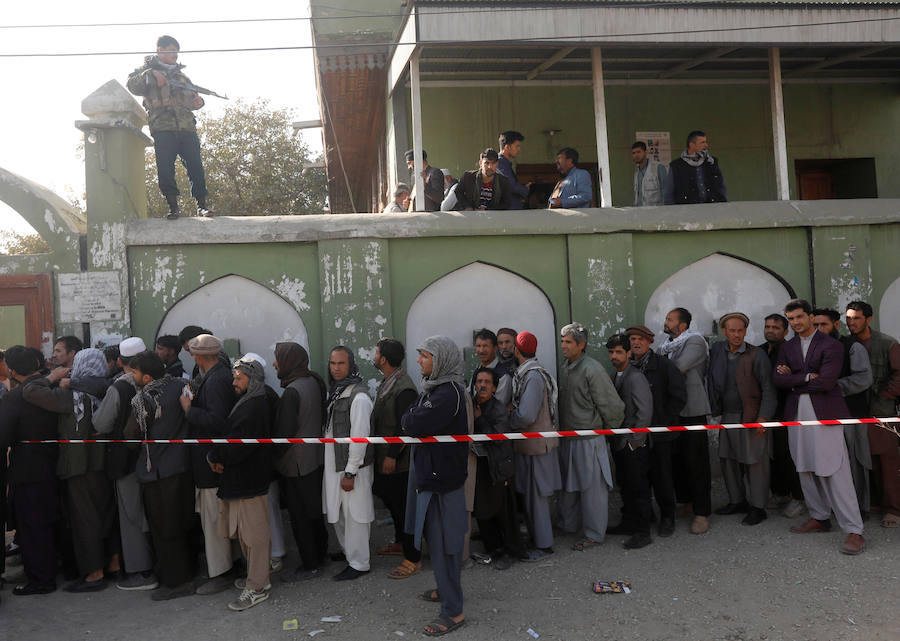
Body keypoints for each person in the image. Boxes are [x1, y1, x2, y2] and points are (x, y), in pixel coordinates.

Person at [23, 348, 119, 592]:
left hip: (80, 467)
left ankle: (94, 574)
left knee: (84, 520)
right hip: (103, 464)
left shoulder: (73, 395)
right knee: (105, 515)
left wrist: (52, 377)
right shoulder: (109, 388)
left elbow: (31, 391)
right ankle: (112, 565)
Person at [774, 299, 864, 555]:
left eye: (799, 317)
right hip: (796, 414)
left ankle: (854, 529)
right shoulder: (787, 346)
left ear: (810, 317)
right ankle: (820, 517)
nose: (795, 323)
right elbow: (777, 380)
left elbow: (826, 383)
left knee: (835, 469)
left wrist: (792, 380)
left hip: (825, 412)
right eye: (790, 319)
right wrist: (803, 377)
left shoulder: (831, 345)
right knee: (804, 466)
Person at [401, 336, 469, 637]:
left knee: (447, 546)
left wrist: (412, 420)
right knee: (434, 540)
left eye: (425, 356)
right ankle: (444, 589)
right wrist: (412, 419)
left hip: (444, 483)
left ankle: (453, 611)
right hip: (432, 478)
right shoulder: (435, 389)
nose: (419, 361)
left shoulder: (448, 393)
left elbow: (412, 424)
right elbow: (411, 418)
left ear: (440, 360)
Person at [207, 356, 273, 611]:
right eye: (235, 376)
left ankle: (257, 586)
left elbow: (240, 446)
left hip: (249, 481)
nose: (234, 381)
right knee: (245, 535)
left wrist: (217, 457)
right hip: (240, 480)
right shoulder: (247, 401)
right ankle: (256, 580)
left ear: (252, 379)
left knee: (255, 536)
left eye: (239, 377)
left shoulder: (255, 406)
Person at [129, 351, 196, 601]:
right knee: (182, 522)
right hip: (181, 465)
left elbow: (130, 435)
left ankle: (176, 582)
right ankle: (188, 573)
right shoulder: (181, 384)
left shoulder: (144, 399)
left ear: (146, 376)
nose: (131, 376)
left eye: (134, 372)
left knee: (164, 528)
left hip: (157, 472)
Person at [92, 336, 157, 590]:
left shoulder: (119, 387)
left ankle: (141, 571)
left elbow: (101, 423)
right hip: (153, 456)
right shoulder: (157, 380)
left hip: (126, 459)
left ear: (120, 362)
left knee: (131, 515)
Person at [127, 35, 210, 219]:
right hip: (162, 127)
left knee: (196, 166)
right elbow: (132, 85)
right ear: (160, 50)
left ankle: (202, 205)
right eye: (172, 50)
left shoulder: (182, 76)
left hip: (187, 127)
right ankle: (173, 207)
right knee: (165, 169)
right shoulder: (145, 71)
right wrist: (150, 75)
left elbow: (193, 99)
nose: (175, 55)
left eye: (177, 51)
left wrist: (199, 101)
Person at [556, 323, 623, 550]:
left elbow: (611, 406)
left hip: (589, 440)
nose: (563, 346)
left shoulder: (592, 369)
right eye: (562, 341)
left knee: (593, 491)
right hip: (569, 439)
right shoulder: (566, 367)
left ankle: (594, 534)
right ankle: (569, 526)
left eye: (568, 342)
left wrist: (610, 431)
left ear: (581, 345)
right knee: (570, 488)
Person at [0, 346, 61, 595]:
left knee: (32, 526)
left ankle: (41, 579)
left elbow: (3, 436)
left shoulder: (15, 397)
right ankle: (50, 570)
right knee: (48, 522)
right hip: (54, 463)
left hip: (27, 470)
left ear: (12, 370)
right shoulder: (50, 388)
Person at [708, 313, 777, 526]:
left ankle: (758, 507)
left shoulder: (757, 355)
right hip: (727, 415)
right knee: (728, 460)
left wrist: (763, 417)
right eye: (732, 331)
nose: (736, 335)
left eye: (740, 330)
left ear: (746, 331)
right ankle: (737, 501)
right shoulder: (717, 351)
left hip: (751, 416)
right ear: (724, 332)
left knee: (755, 462)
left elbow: (768, 387)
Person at [181, 333, 237, 594]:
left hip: (210, 460)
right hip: (213, 458)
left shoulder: (216, 380)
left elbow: (217, 420)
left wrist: (188, 409)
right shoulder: (220, 375)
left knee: (213, 519)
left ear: (198, 356)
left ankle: (220, 573)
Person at [272, 342, 330, 582]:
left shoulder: (292, 392)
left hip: (296, 463)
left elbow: (284, 435)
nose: (275, 363)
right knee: (314, 511)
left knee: (300, 516)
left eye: (278, 359)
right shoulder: (313, 381)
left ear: (288, 362)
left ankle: (310, 564)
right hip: (314, 457)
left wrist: (272, 459)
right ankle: (321, 554)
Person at [626, 325, 686, 537]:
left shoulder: (663, 365)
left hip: (660, 434)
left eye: (641, 339)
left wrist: (664, 421)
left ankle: (667, 517)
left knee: (662, 478)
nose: (636, 343)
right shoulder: (627, 367)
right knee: (639, 478)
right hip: (636, 435)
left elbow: (678, 396)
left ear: (650, 341)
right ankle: (645, 516)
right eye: (633, 339)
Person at [813, 308, 873, 519]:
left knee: (855, 461)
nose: (818, 330)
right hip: (822, 416)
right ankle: (832, 508)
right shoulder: (811, 349)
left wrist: (829, 386)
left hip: (850, 414)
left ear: (836, 326)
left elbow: (863, 379)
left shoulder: (852, 347)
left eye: (824, 325)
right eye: (815, 325)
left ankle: (859, 508)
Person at [657, 307, 713, 534]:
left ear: (682, 325)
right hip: (672, 412)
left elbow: (677, 369)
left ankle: (702, 513)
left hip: (693, 411)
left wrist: (656, 368)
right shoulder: (665, 347)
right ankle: (688, 503)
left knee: (696, 463)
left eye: (670, 320)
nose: (666, 322)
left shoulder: (695, 342)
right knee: (677, 462)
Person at [845, 300, 900, 528]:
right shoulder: (845, 344)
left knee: (887, 461)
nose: (851, 323)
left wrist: (884, 395)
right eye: (848, 318)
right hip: (856, 412)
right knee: (866, 460)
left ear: (868, 319)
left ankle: (893, 509)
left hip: (882, 412)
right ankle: (874, 502)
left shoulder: (887, 343)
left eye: (856, 318)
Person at [369, 338, 421, 579]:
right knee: (391, 502)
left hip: (398, 461)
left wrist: (391, 456)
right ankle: (401, 543)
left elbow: (404, 426)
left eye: (377, 352)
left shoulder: (404, 387)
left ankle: (413, 557)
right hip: (385, 457)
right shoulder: (390, 381)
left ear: (384, 358)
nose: (374, 355)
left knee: (403, 509)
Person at [323, 346, 375, 581]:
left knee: (356, 516)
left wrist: (351, 472)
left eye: (341, 363)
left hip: (351, 468)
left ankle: (359, 562)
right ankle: (349, 554)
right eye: (333, 363)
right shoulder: (336, 392)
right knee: (341, 514)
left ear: (351, 365)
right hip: (335, 465)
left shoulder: (359, 397)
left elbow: (360, 437)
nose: (336, 368)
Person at [509, 331, 561, 561]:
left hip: (537, 446)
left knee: (537, 497)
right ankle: (539, 540)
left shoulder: (532, 376)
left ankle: (544, 544)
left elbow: (526, 415)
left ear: (517, 352)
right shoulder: (528, 374)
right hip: (531, 446)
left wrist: (508, 418)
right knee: (530, 496)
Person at [606, 334, 655, 549]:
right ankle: (628, 523)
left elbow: (645, 411)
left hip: (633, 444)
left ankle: (643, 532)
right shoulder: (615, 375)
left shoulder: (635, 377)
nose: (614, 356)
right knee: (625, 486)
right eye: (611, 352)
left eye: (618, 352)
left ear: (628, 353)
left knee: (639, 489)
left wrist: (635, 441)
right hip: (620, 443)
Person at [471, 367, 520, 570]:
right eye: (479, 381)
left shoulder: (498, 410)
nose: (482, 385)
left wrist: (479, 419)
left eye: (487, 383)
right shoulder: (471, 404)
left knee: (503, 513)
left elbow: (497, 439)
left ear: (494, 388)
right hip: (480, 467)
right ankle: (493, 549)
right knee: (482, 511)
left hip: (498, 468)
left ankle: (511, 552)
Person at [759, 313, 805, 517]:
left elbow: (801, 377)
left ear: (786, 331)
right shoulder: (759, 351)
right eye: (767, 326)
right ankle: (780, 493)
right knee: (772, 454)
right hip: (765, 412)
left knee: (790, 455)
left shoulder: (793, 351)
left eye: (776, 327)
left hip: (788, 410)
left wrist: (789, 376)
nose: (770, 330)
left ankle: (798, 497)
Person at [665, 130, 727, 205]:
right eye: (702, 142)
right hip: (687, 210)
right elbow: (669, 193)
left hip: (712, 209)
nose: (706, 145)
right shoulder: (677, 166)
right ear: (692, 145)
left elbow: (721, 187)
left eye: (705, 142)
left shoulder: (711, 162)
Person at [468, 329, 512, 406]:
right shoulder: (477, 371)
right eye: (478, 346)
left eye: (485, 346)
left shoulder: (503, 377)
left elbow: (498, 409)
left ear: (495, 348)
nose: (481, 351)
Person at [497, 130, 531, 209]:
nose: (519, 149)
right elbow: (510, 185)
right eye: (517, 146)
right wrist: (525, 190)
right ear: (507, 147)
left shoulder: (504, 163)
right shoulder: (499, 163)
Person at [631, 141, 668, 207]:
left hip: (656, 212)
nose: (636, 155)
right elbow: (637, 196)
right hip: (639, 212)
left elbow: (666, 193)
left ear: (646, 152)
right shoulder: (636, 173)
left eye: (639, 152)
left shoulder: (658, 168)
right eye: (634, 153)